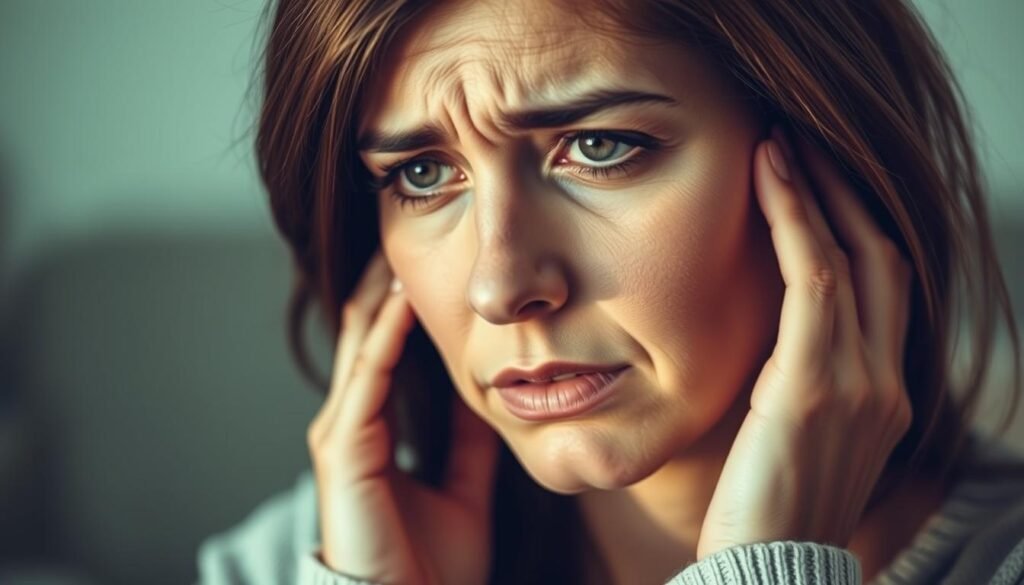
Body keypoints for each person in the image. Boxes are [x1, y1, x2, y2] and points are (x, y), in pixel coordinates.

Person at [197, 0, 1024, 583]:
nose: (500, 284)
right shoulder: (294, 563)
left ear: (829, 161)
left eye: (597, 146)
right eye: (422, 173)